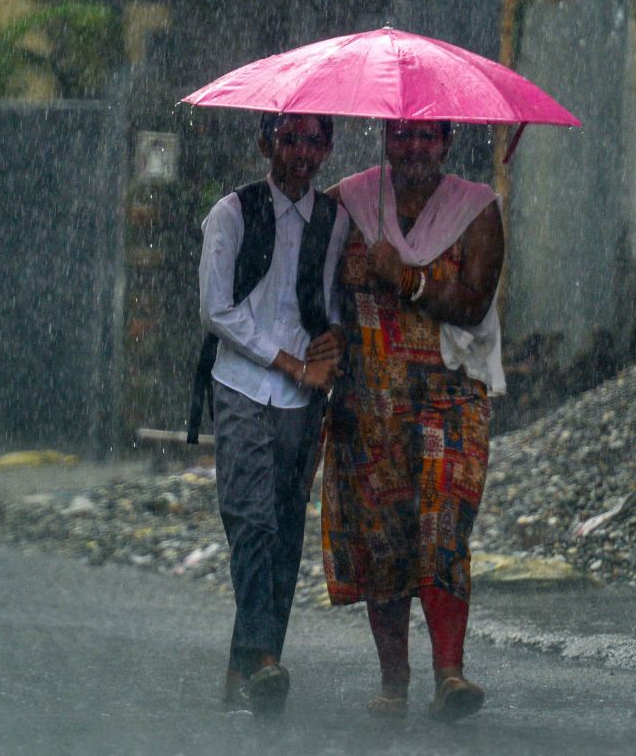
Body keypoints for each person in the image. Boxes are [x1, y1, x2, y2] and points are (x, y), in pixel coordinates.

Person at [321, 119, 505, 721]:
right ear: (384, 138)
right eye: (401, 135)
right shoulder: (349, 202)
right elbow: (307, 280)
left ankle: (449, 673)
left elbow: (475, 301)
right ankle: (394, 679)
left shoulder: (476, 208)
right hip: (368, 403)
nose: (414, 147)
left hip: (450, 398)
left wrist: (407, 280)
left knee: (443, 526)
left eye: (428, 136)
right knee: (384, 539)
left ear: (448, 141)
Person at [198, 113, 349, 713]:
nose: (302, 154)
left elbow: (330, 302)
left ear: (328, 148)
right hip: (240, 384)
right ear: (266, 144)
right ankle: (263, 657)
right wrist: (286, 360)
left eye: (314, 141)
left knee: (284, 531)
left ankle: (251, 668)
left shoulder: (334, 221)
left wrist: (332, 342)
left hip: (301, 402)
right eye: (290, 139)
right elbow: (215, 310)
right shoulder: (231, 214)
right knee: (249, 518)